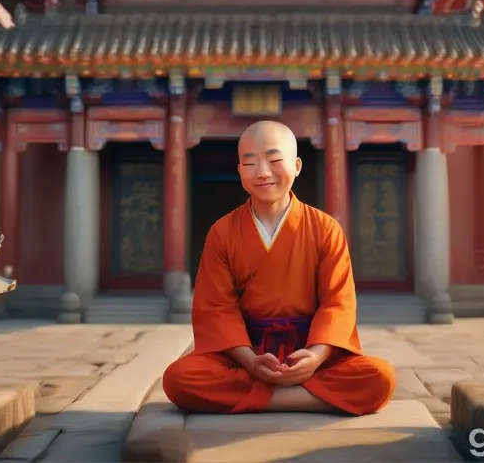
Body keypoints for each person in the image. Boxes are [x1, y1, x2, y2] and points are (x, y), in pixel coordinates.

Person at [162, 120, 395, 415]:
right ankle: (308, 401)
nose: (262, 172)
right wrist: (250, 361)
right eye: (250, 163)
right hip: (246, 352)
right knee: (179, 379)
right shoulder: (222, 232)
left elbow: (338, 302)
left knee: (379, 377)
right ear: (239, 172)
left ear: (297, 165)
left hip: (309, 350)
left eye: (274, 160)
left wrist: (315, 356)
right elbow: (216, 308)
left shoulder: (325, 229)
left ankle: (262, 399)